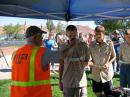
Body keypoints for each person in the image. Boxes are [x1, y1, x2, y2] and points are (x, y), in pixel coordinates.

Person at [10, 26, 52, 97]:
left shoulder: (16, 53)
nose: (42, 38)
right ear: (35, 37)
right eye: (41, 36)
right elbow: (63, 56)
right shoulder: (43, 52)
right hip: (37, 94)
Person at [59, 25, 90, 97]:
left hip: (81, 82)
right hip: (68, 82)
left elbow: (89, 61)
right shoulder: (63, 46)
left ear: (77, 34)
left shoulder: (84, 45)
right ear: (66, 34)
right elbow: (61, 64)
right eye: (70, 35)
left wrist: (86, 63)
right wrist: (60, 81)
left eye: (74, 34)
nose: (72, 37)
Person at [89, 25, 116, 97]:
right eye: (96, 34)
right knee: (97, 93)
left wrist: (108, 63)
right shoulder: (91, 44)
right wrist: (90, 62)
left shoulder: (109, 43)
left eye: (99, 34)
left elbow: (114, 57)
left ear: (103, 33)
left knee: (109, 94)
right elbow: (90, 58)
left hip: (107, 75)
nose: (97, 36)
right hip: (96, 75)